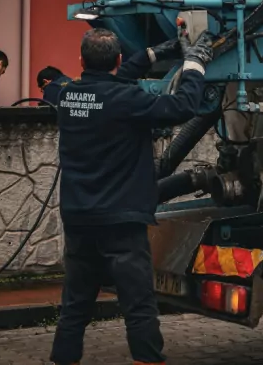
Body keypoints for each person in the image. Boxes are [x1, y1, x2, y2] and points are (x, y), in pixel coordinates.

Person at [50, 28, 214, 365]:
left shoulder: (66, 97)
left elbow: (109, 83)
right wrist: (194, 64)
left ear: (81, 61)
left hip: (79, 220)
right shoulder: (127, 101)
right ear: (119, 59)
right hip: (121, 223)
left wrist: (157, 52)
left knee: (74, 307)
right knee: (138, 306)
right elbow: (184, 106)